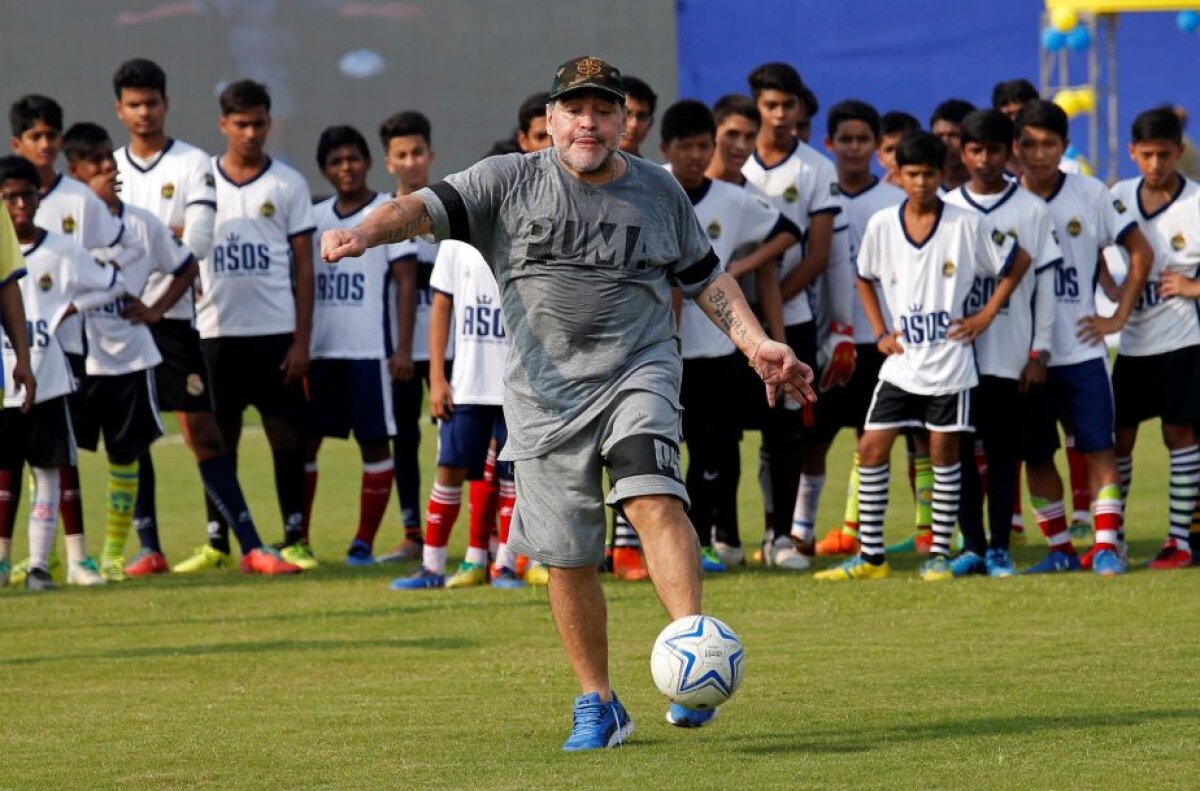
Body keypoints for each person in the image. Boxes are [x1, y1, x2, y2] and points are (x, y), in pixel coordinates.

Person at [321, 55, 815, 749]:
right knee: (568, 553)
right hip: (542, 398)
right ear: (549, 120)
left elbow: (707, 278)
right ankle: (599, 701)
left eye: (604, 109)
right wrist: (365, 233)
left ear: (623, 122)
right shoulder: (506, 181)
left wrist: (756, 342)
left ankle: (692, 658)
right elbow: (420, 208)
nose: (589, 121)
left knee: (654, 499)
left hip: (637, 374)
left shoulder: (659, 191)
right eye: (574, 109)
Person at [814, 131, 1031, 582]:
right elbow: (863, 278)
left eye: (929, 174)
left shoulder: (965, 223)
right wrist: (878, 332)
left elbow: (1018, 261)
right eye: (912, 174)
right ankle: (871, 556)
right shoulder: (882, 224)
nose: (920, 183)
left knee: (943, 453)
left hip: (951, 365)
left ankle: (937, 552)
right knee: (872, 447)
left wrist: (986, 315)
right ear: (898, 175)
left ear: (940, 174)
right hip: (902, 362)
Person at [111, 58, 274, 576]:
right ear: (120, 109)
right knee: (132, 438)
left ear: (166, 103)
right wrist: (166, 234)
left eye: (152, 102)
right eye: (134, 104)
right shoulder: (108, 168)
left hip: (175, 320)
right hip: (115, 324)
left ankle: (251, 545)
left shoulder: (191, 162)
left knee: (202, 432)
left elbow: (199, 241)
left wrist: (156, 293)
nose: (144, 113)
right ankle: (148, 548)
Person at [659, 99, 800, 573]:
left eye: (704, 146)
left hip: (717, 351)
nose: (696, 156)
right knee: (654, 452)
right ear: (667, 149)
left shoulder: (733, 200)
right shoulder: (649, 188)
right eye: (686, 147)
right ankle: (639, 545)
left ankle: (697, 543)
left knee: (710, 453)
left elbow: (787, 230)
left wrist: (740, 265)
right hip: (657, 352)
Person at [1014, 100, 1153, 576]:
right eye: (1029, 144)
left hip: (1082, 349)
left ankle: (1108, 546)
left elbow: (1140, 252)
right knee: (1036, 454)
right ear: (1016, 148)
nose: (1038, 154)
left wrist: (1117, 318)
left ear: (1064, 147)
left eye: (1048, 144)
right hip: (1022, 356)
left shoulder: (1091, 193)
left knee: (1099, 447)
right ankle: (1059, 551)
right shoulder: (1006, 201)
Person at [197, 80, 315, 570]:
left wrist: (301, 339)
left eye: (259, 123)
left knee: (284, 435)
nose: (250, 133)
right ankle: (217, 542)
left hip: (273, 334)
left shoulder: (287, 183)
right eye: (241, 124)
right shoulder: (200, 180)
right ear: (224, 124)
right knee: (217, 437)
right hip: (214, 333)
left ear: (269, 124)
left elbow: (305, 266)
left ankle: (294, 537)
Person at [11, 94, 133, 565]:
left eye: (51, 136)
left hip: (64, 349)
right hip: (12, 353)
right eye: (35, 136)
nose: (44, 145)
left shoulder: (79, 199)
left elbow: (109, 261)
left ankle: (75, 554)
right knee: (16, 457)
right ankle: (29, 554)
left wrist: (68, 305)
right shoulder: (7, 197)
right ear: (17, 142)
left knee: (62, 453)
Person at [942, 110, 1060, 578]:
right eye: (975, 150)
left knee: (1004, 453)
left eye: (993, 149)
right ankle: (970, 544)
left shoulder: (1030, 208)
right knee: (964, 452)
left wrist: (1040, 351)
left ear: (1009, 149)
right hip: (955, 354)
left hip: (1010, 353)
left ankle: (999, 548)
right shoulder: (948, 205)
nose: (984, 159)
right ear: (963, 153)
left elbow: (1046, 283)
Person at [743, 61, 838, 569]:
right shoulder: (737, 163)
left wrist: (766, 299)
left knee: (785, 432)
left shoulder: (816, 169)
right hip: (725, 326)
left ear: (801, 109)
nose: (779, 115)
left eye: (788, 106)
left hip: (789, 319)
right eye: (770, 105)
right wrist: (738, 308)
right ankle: (723, 536)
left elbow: (818, 253)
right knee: (723, 432)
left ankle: (779, 537)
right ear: (757, 105)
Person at [389, 239, 518, 589]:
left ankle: (504, 567)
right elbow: (440, 307)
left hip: (518, 384)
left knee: (513, 477)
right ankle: (432, 567)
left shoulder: (527, 227)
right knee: (449, 470)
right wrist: (436, 376)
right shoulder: (455, 242)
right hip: (468, 383)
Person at [809, 100, 906, 558]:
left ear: (876, 145)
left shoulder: (896, 199)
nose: (853, 147)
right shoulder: (818, 192)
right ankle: (800, 531)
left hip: (883, 340)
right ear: (828, 144)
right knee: (816, 438)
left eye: (862, 139)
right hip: (827, 337)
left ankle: (874, 532)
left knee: (883, 439)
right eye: (844, 139)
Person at [305, 125, 403, 566]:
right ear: (324, 170)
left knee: (374, 444)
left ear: (367, 161)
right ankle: (299, 538)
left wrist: (400, 349)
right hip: (323, 351)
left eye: (353, 158)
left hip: (369, 352)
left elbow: (403, 284)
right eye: (335, 161)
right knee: (307, 443)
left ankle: (363, 542)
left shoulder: (386, 212)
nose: (346, 168)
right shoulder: (315, 217)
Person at [1108, 107, 1200, 569]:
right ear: (1132, 153)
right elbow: (1087, 250)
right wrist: (1107, 285)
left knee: (1178, 432)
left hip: (1182, 341)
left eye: (1164, 155)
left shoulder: (1197, 203)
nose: (1156, 165)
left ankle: (1179, 541)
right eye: (1146, 155)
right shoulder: (1118, 197)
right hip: (1132, 342)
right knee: (1118, 437)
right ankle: (1114, 538)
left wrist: (1192, 286)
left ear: (1179, 152)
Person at [705, 93, 788, 567]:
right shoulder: (672, 186)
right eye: (730, 134)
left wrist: (739, 266)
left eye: (747, 136)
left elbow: (776, 258)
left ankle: (731, 538)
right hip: (675, 342)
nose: (739, 145)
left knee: (730, 439)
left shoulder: (751, 200)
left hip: (735, 339)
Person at [374, 110, 452, 564]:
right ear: (388, 162)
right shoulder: (380, 217)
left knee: (460, 445)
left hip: (452, 351)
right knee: (404, 439)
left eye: (417, 152)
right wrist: (398, 348)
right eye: (400, 155)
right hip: (400, 355)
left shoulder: (449, 209)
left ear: (431, 155)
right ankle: (411, 533)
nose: (410, 162)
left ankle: (479, 538)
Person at [929, 98, 975, 191]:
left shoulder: (999, 186)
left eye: (954, 135)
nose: (945, 143)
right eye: (939, 135)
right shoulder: (921, 191)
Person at [877, 111, 921, 186]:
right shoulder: (874, 197)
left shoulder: (943, 196)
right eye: (889, 150)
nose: (897, 155)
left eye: (903, 146)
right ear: (880, 158)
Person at [618, 75, 657, 158]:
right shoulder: (586, 166)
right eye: (627, 113)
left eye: (642, 116)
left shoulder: (652, 171)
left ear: (650, 125)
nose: (634, 125)